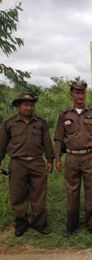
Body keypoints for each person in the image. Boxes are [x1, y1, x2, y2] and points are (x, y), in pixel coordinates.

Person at [54, 81, 92, 237]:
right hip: (71, 157)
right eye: (77, 93)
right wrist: (58, 158)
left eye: (83, 92)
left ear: (85, 94)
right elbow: (58, 138)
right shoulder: (64, 114)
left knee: (91, 191)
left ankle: (91, 224)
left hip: (89, 156)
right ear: (72, 95)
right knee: (72, 191)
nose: (80, 96)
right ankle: (72, 226)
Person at [0, 92, 54, 237]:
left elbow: (47, 143)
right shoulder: (9, 123)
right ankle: (21, 223)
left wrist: (50, 161)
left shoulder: (40, 122)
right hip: (17, 163)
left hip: (37, 162)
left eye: (31, 105)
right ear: (18, 106)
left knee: (39, 195)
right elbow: (2, 145)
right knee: (18, 196)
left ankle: (39, 223)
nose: (29, 108)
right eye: (25, 105)